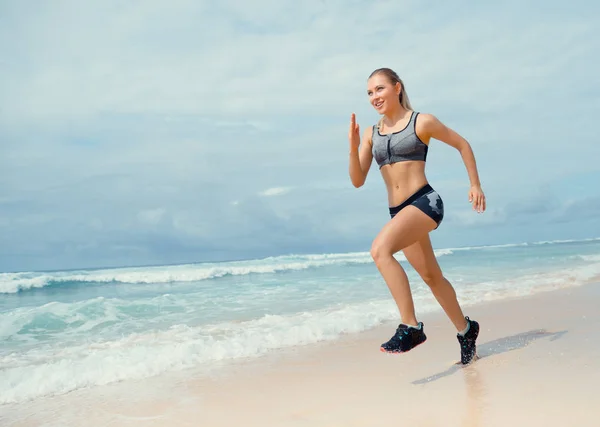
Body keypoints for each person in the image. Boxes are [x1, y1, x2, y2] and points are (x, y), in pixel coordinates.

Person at [348, 67, 486, 364]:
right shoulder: (372, 134)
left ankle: (410, 325)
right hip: (399, 212)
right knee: (431, 277)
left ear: (397, 88)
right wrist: (353, 144)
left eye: (380, 89)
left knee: (380, 250)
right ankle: (466, 330)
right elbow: (357, 180)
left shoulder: (421, 121)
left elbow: (462, 144)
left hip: (425, 202)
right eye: (370, 92)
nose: (374, 96)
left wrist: (474, 184)